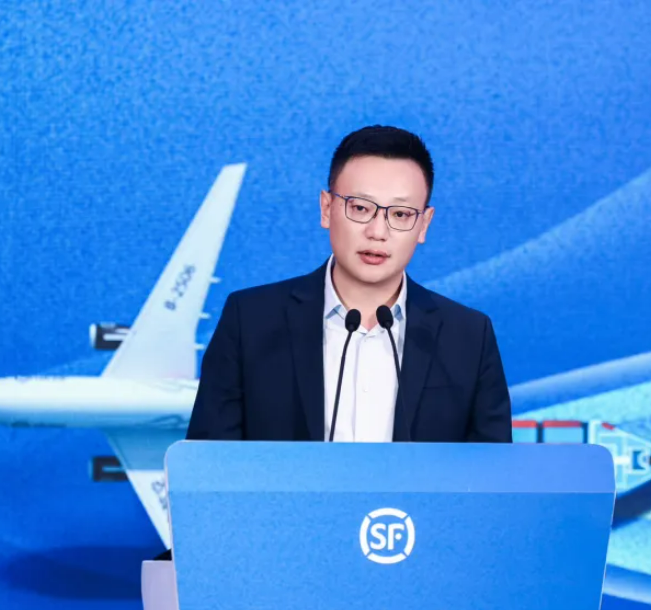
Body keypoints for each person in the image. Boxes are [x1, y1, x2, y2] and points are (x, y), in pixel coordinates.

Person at [186, 125, 512, 444]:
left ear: (424, 224)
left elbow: (492, 471)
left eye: (400, 214)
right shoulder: (251, 321)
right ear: (327, 208)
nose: (377, 232)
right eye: (360, 208)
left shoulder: (468, 337)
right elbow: (209, 461)